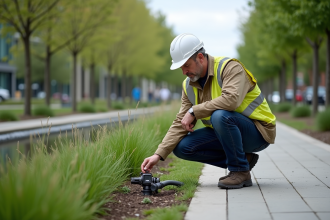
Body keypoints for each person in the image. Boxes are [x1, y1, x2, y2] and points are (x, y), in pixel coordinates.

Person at [141, 33, 276, 189]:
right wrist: (158, 155)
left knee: (220, 116)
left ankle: (239, 171)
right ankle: (244, 160)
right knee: (182, 147)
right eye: (181, 68)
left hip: (258, 132)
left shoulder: (230, 68)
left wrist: (194, 111)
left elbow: (231, 100)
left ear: (200, 57)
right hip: (228, 131)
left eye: (186, 65)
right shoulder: (189, 85)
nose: (183, 72)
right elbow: (180, 121)